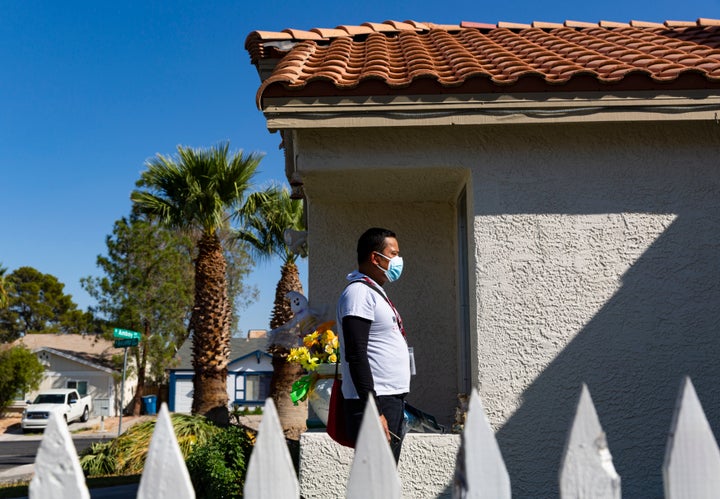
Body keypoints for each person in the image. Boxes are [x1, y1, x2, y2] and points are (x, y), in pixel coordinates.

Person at [337, 227, 413, 463]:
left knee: (385, 478)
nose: (398, 260)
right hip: (375, 401)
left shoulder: (374, 292)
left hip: (390, 398)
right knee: (375, 481)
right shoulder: (359, 293)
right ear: (375, 257)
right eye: (394, 253)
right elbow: (356, 354)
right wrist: (374, 410)